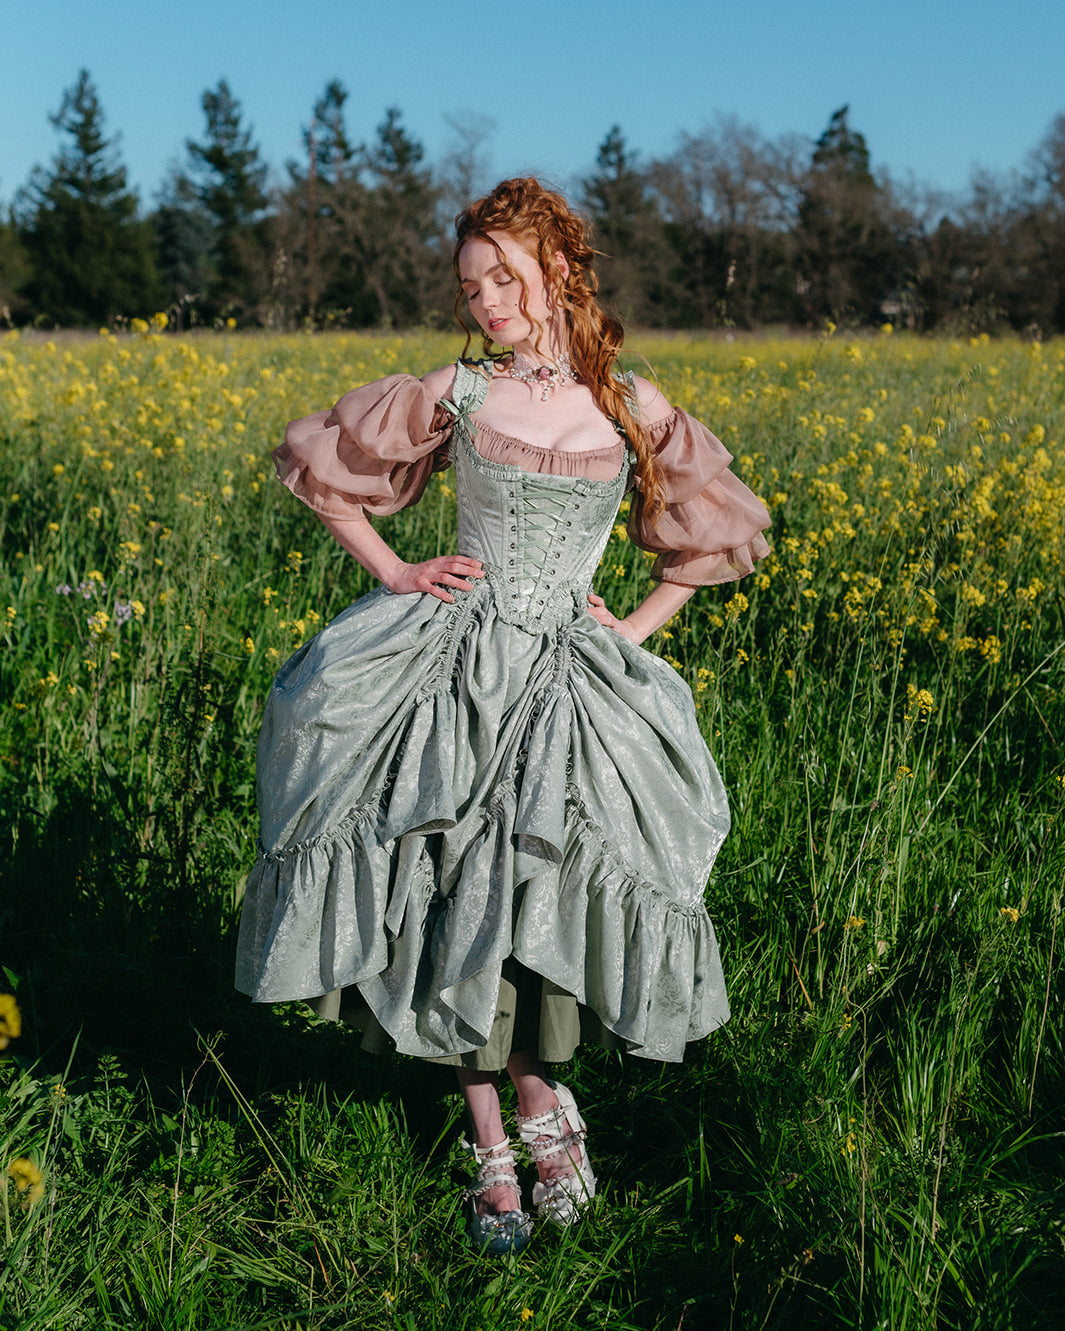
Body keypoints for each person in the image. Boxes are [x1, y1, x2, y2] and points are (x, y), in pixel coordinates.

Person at [235, 178, 771, 1255]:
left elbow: (716, 534)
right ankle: (494, 1136)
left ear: (559, 273)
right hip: (454, 662)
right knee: (444, 891)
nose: (483, 299)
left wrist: (634, 631)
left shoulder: (628, 402)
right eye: (469, 283)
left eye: (503, 277)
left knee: (537, 894)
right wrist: (394, 568)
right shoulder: (459, 392)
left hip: (569, 671)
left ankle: (542, 1098)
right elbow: (319, 465)